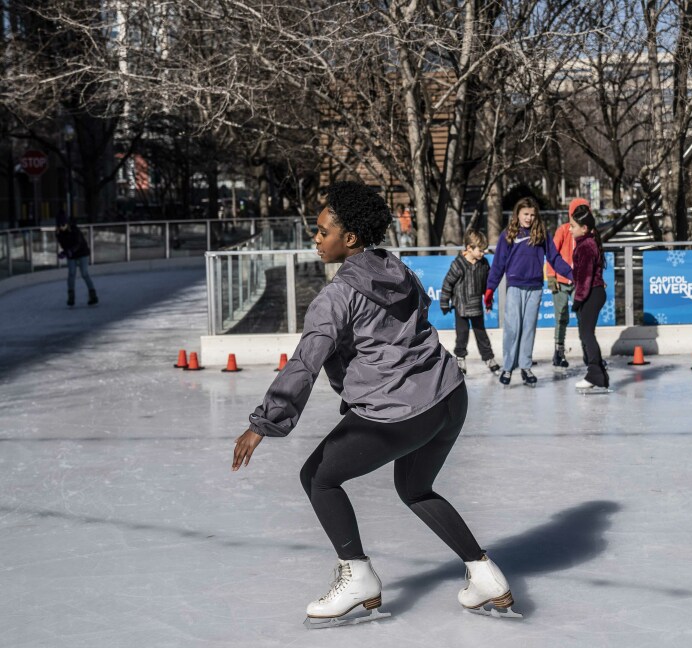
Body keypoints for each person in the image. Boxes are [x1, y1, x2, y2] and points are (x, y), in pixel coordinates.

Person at [232, 181, 518, 626]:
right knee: (415, 487)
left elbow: (305, 363)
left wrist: (264, 422)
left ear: (349, 239)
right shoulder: (396, 269)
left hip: (400, 412)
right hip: (448, 396)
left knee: (317, 477)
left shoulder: (336, 296)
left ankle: (358, 575)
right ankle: (485, 575)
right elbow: (414, 321)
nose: (316, 238)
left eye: (322, 231)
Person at [484, 197, 572, 387]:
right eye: (526, 214)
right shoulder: (509, 234)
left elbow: (554, 258)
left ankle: (525, 366)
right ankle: (507, 368)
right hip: (515, 285)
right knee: (513, 327)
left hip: (535, 287)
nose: (529, 218)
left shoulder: (541, 234)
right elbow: (498, 263)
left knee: (528, 328)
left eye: (532, 215)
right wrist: (490, 288)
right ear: (518, 214)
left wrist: (570, 273)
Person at [439, 229, 501, 376]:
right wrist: (444, 303)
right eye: (481, 250)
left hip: (476, 307)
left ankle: (489, 358)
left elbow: (487, 286)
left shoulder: (483, 264)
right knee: (462, 334)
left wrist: (488, 302)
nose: (484, 253)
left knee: (481, 334)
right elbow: (447, 284)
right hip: (461, 306)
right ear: (469, 248)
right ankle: (460, 359)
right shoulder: (458, 265)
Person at [545, 198, 590, 369]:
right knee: (561, 316)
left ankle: (588, 352)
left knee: (583, 317)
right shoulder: (563, 230)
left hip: (580, 282)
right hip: (561, 281)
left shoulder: (587, 233)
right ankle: (559, 352)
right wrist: (551, 276)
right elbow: (552, 254)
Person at [570, 204, 609, 391]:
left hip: (591, 293)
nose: (570, 230)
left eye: (573, 227)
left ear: (584, 228)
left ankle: (594, 374)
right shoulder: (588, 242)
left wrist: (578, 300)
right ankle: (599, 374)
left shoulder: (586, 246)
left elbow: (585, 278)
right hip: (593, 292)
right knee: (585, 334)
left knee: (586, 334)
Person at [55, 212, 98, 307]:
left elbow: (79, 243)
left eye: (63, 224)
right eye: (59, 225)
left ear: (67, 223)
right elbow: (63, 245)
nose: (61, 227)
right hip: (71, 255)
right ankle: (71, 296)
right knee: (71, 274)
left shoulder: (75, 230)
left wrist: (70, 251)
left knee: (84, 273)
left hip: (82, 253)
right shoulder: (58, 233)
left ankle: (93, 295)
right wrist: (64, 252)